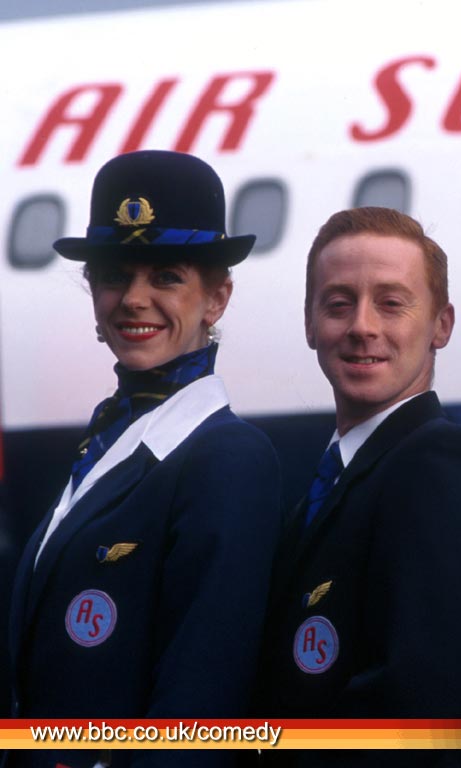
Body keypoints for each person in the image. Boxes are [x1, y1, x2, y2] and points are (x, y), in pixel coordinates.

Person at [7, 150, 282, 767]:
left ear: (217, 298)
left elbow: (199, 713)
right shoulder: (107, 441)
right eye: (115, 276)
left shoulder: (227, 458)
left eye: (166, 277)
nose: (134, 299)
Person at [252, 207, 461, 765]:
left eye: (391, 303)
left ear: (441, 325)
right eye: (338, 304)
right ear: (309, 324)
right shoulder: (329, 485)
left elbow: (420, 704)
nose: (362, 326)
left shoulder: (441, 464)